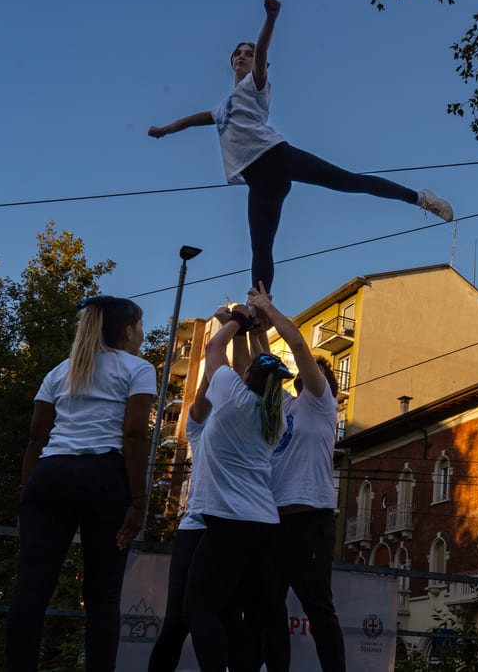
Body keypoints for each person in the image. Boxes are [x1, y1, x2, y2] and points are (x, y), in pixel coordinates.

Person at [149, 0, 454, 293]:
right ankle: (260, 304)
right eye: (237, 53)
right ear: (231, 62)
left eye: (248, 53)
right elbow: (190, 119)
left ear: (262, 65)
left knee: (349, 181)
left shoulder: (255, 85)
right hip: (258, 179)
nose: (241, 56)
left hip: (277, 157)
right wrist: (164, 130)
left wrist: (270, 19)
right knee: (260, 246)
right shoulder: (220, 110)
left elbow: (264, 47)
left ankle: (420, 197)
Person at [7, 296, 155, 672]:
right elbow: (135, 434)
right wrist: (139, 501)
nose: (142, 333)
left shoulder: (60, 371)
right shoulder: (138, 369)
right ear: (127, 330)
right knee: (103, 595)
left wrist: (27, 500)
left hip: (49, 476)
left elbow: (36, 436)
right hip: (103, 477)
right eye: (140, 325)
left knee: (31, 588)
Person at [184, 288, 296, 672]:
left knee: (199, 609)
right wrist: (250, 327)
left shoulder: (230, 395)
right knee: (251, 612)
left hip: (227, 524)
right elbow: (246, 366)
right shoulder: (276, 418)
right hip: (265, 527)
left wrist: (237, 319)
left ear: (246, 375)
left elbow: (213, 350)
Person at [147, 313, 252, 672]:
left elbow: (239, 380)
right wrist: (232, 332)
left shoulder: (242, 424)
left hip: (227, 526)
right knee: (177, 619)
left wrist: (238, 327)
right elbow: (210, 392)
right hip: (195, 526)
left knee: (221, 613)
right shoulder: (197, 427)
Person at [249, 297, 346, 670]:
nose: (301, 371)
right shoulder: (287, 406)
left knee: (318, 607)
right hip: (272, 524)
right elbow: (268, 367)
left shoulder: (321, 405)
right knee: (268, 608)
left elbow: (299, 346)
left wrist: (268, 309)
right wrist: (258, 333)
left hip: (310, 522)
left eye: (309, 371)